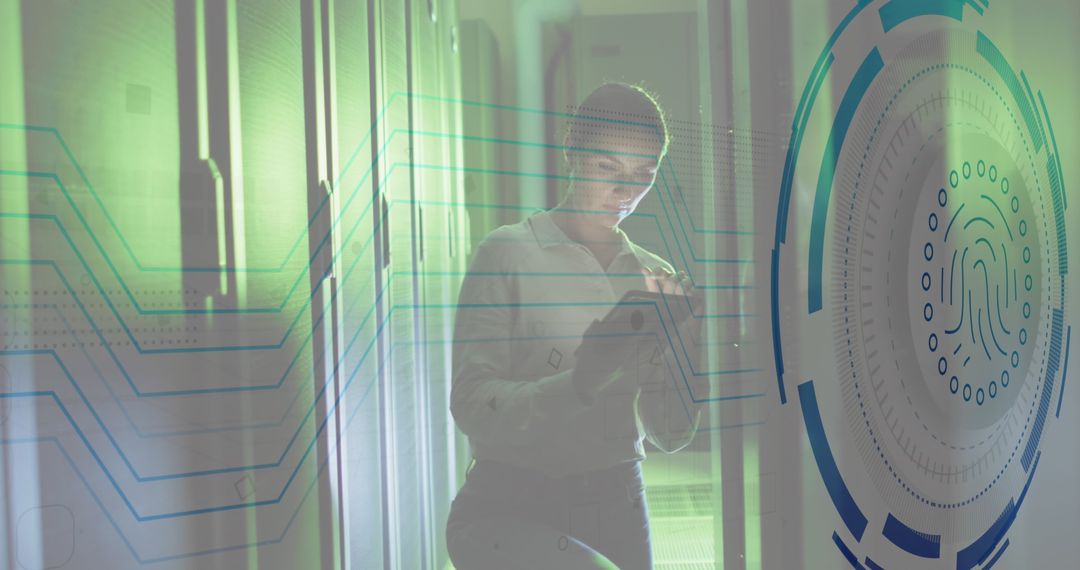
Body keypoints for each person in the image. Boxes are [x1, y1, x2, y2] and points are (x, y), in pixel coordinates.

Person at [445, 83, 706, 570]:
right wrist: (580, 382)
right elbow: (471, 404)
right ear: (571, 150)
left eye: (643, 175)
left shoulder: (651, 275)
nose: (625, 193)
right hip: (513, 497)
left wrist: (684, 354)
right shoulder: (507, 253)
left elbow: (671, 434)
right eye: (607, 168)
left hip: (617, 496)